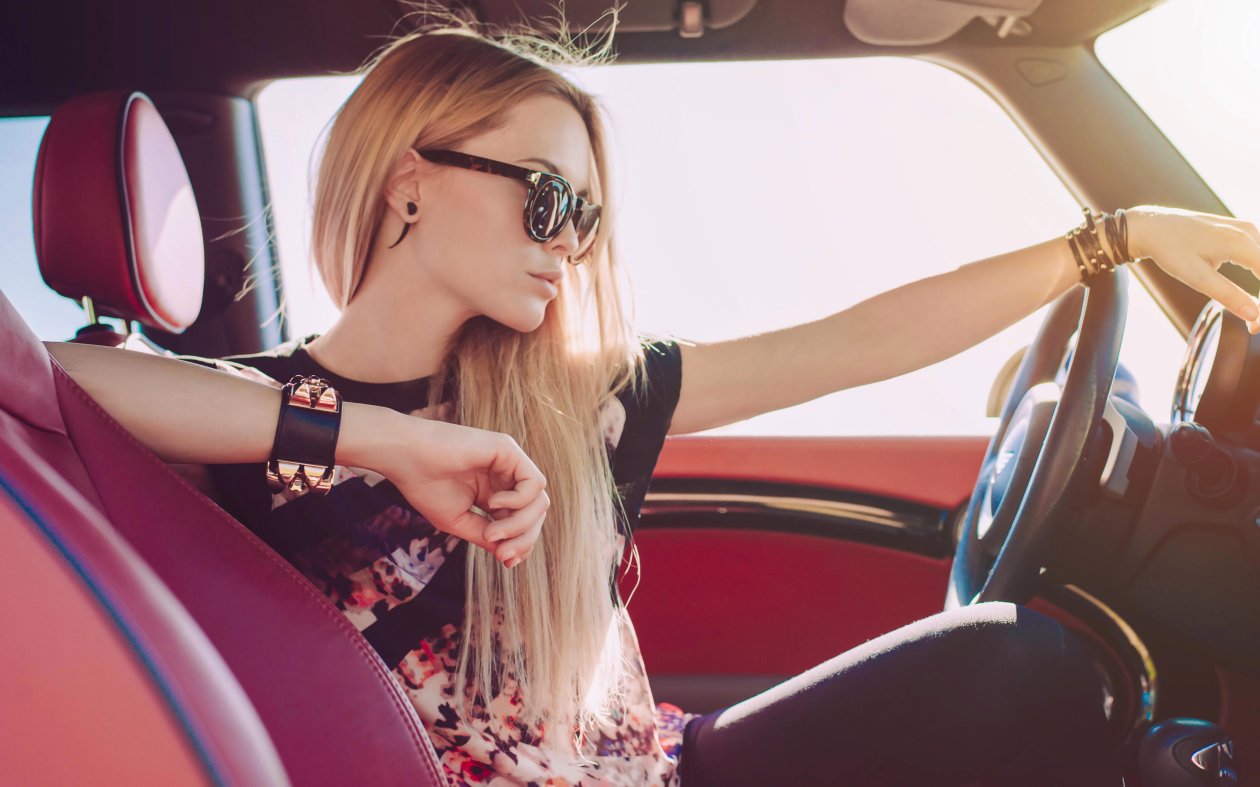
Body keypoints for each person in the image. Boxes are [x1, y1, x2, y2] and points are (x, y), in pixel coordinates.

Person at [44, 11, 1260, 787]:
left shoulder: (579, 399)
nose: (571, 244)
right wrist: (390, 440)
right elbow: (69, 381)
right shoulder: (241, 416)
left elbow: (850, 344)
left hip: (660, 771)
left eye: (589, 218)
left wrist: (1105, 241)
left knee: (1030, 668)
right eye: (547, 198)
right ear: (411, 182)